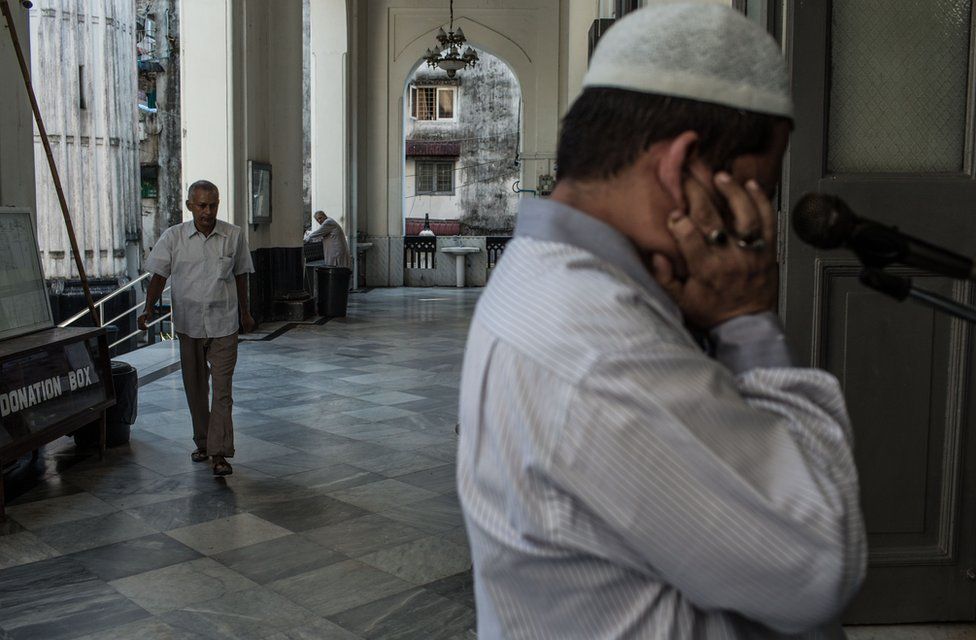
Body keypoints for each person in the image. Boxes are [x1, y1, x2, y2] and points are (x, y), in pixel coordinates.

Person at [456, 3, 866, 639]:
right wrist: (748, 318)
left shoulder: (542, 271)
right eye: (760, 188)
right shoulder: (600, 347)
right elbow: (817, 569)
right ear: (685, 170)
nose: (761, 223)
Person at [138, 180, 255, 477]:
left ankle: (219, 453)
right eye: (202, 205)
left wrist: (245, 311)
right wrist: (148, 308)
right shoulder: (174, 237)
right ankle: (202, 442)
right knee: (195, 388)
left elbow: (241, 275)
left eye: (213, 205)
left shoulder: (233, 235)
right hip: (189, 325)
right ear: (190, 205)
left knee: (222, 391)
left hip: (224, 324)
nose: (208, 211)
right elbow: (159, 276)